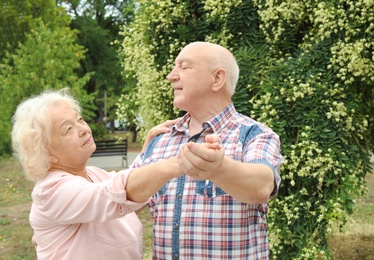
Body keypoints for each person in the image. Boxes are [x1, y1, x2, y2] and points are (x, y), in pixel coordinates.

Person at [131, 41, 284, 259]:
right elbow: (125, 200)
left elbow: (261, 186)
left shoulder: (254, 134)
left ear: (217, 79)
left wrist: (219, 169)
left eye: (184, 66)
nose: (171, 76)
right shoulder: (160, 140)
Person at [11, 89, 186, 260]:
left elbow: (127, 194)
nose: (83, 129)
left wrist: (147, 153)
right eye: (68, 129)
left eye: (79, 120)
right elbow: (115, 194)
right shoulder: (51, 191)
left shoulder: (93, 175)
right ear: (47, 153)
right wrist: (179, 162)